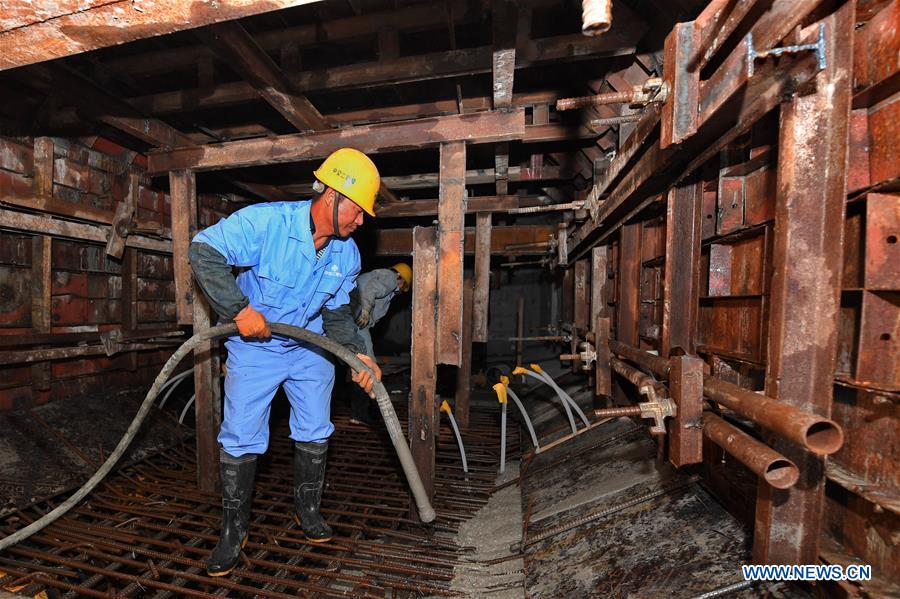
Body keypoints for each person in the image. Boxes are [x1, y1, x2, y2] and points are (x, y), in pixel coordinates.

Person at [188, 148, 383, 577]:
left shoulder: (346, 254)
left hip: (309, 347)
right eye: (358, 209)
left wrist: (356, 353)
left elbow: (336, 313)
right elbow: (203, 251)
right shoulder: (267, 223)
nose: (362, 221)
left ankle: (307, 511)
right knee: (240, 436)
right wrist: (239, 309)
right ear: (332, 196)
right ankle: (233, 531)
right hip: (255, 349)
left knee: (315, 428)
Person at [334, 263, 411, 426]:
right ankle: (363, 412)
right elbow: (370, 289)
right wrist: (366, 310)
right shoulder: (390, 277)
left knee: (357, 367)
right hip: (357, 321)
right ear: (402, 280)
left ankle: (359, 412)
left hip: (350, 321)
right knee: (369, 368)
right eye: (404, 285)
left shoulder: (380, 276)